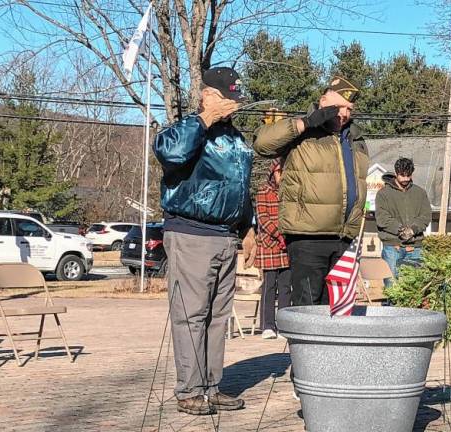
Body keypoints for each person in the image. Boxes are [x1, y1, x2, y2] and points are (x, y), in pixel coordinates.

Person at [153, 66, 254, 416]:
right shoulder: (187, 129)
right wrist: (206, 117)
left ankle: (211, 387)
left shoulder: (236, 138)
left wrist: (248, 228)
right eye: (227, 98)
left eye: (236, 99)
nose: (233, 106)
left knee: (217, 318)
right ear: (208, 94)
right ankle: (190, 390)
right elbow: (170, 153)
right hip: (191, 232)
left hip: (226, 237)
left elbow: (241, 186)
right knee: (191, 315)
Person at [252, 76, 369, 306]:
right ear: (323, 101)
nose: (343, 114)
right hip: (308, 236)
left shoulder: (356, 139)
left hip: (345, 237)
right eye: (337, 107)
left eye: (349, 109)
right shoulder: (301, 131)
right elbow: (262, 143)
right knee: (307, 310)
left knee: (339, 310)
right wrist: (305, 123)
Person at [374, 157, 431, 286]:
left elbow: (425, 216)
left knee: (415, 286)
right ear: (396, 173)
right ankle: (391, 307)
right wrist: (400, 229)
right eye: (402, 175)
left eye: (408, 175)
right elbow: (382, 218)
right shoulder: (383, 194)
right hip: (392, 247)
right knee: (392, 286)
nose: (405, 179)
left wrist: (413, 230)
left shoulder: (420, 193)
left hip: (415, 247)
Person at [254, 158, 291, 339]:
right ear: (272, 173)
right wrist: (279, 234)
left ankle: (284, 325)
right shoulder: (263, 191)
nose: (281, 176)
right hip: (270, 245)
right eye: (278, 172)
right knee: (269, 286)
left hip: (286, 246)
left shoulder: (289, 192)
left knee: (285, 287)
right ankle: (267, 325)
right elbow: (263, 218)